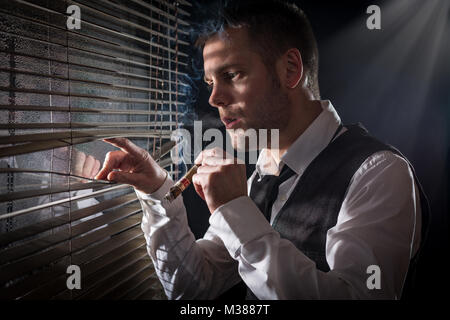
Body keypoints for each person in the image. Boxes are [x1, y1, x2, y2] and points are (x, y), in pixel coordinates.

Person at [95, 0, 429, 299]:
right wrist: (157, 190)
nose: (214, 99)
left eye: (232, 74)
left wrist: (234, 207)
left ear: (290, 70)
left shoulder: (379, 173)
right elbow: (194, 287)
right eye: (211, 82)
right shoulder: (261, 174)